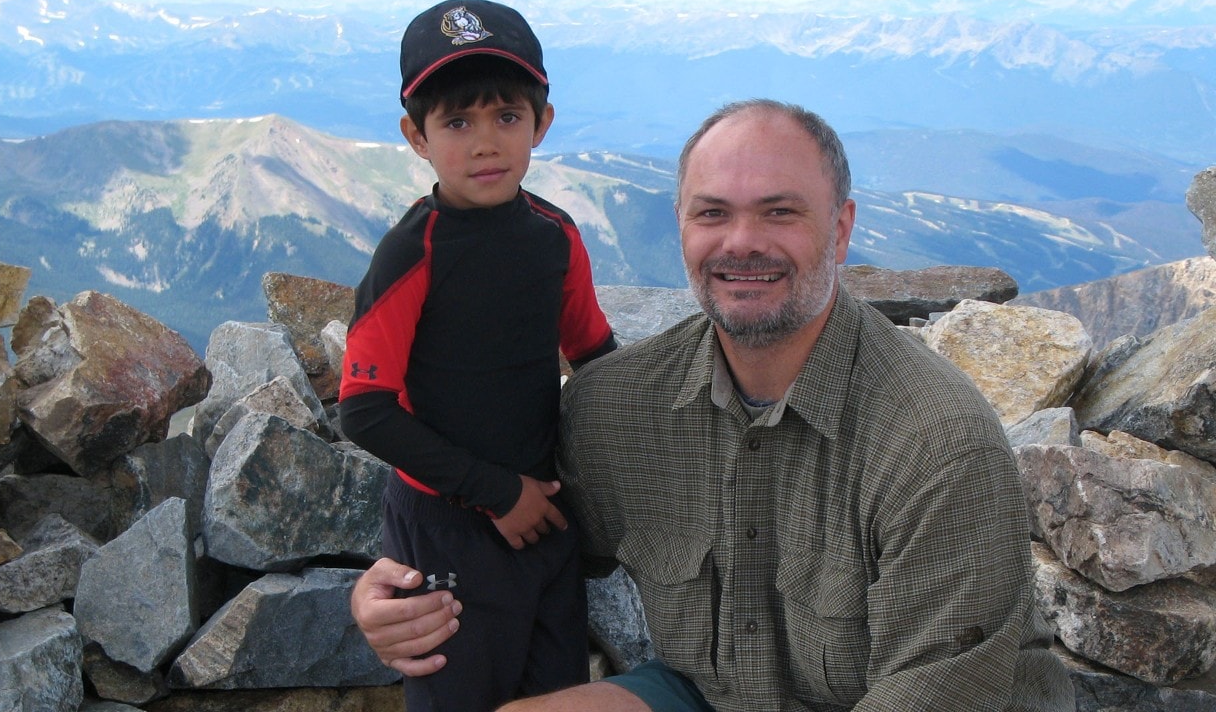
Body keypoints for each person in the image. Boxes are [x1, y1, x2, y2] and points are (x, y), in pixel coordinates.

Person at [350, 99, 1076, 711]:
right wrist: (396, 595)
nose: (742, 243)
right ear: (682, 228)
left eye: (780, 212)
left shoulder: (935, 444)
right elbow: (518, 529)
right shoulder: (619, 408)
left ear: (843, 228)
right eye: (712, 214)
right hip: (713, 694)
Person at [337, 0, 617, 711]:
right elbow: (365, 410)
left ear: (541, 124)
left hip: (543, 516)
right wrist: (496, 493)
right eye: (457, 122)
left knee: (556, 695)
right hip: (445, 528)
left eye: (507, 117)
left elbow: (595, 355)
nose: (485, 142)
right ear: (416, 135)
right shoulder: (412, 253)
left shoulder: (555, 237)